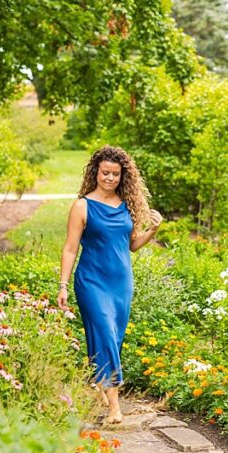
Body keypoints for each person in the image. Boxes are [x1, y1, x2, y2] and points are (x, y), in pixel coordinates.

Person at [56, 146, 161, 424]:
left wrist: (153, 230)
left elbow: (132, 245)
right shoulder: (82, 206)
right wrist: (63, 285)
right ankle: (115, 407)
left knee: (110, 338)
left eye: (115, 174)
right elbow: (70, 249)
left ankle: (99, 386)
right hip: (91, 281)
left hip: (121, 283)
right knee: (103, 331)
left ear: (123, 175)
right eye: (105, 173)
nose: (110, 178)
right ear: (96, 172)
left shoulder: (127, 205)